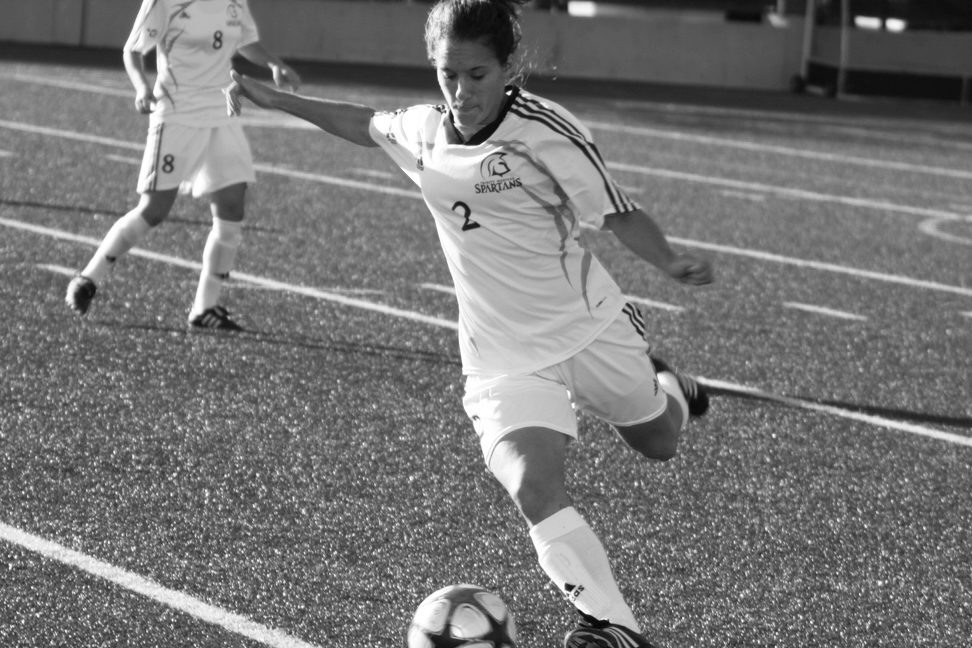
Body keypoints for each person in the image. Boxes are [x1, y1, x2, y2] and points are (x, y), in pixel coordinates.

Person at [226, 0, 713, 644]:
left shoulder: (546, 131)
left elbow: (618, 213)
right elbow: (364, 123)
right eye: (447, 74)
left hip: (588, 327)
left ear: (510, 66)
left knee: (659, 442)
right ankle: (615, 628)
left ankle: (673, 388)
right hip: (501, 353)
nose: (460, 92)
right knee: (531, 483)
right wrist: (275, 100)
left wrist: (671, 260)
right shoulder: (425, 129)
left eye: (477, 75)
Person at [65, 0, 300, 330]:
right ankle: (89, 277)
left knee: (232, 207)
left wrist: (274, 64)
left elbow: (245, 41)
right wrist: (142, 87)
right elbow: (133, 50)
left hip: (223, 112)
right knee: (153, 211)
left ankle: (205, 306)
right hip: (177, 114)